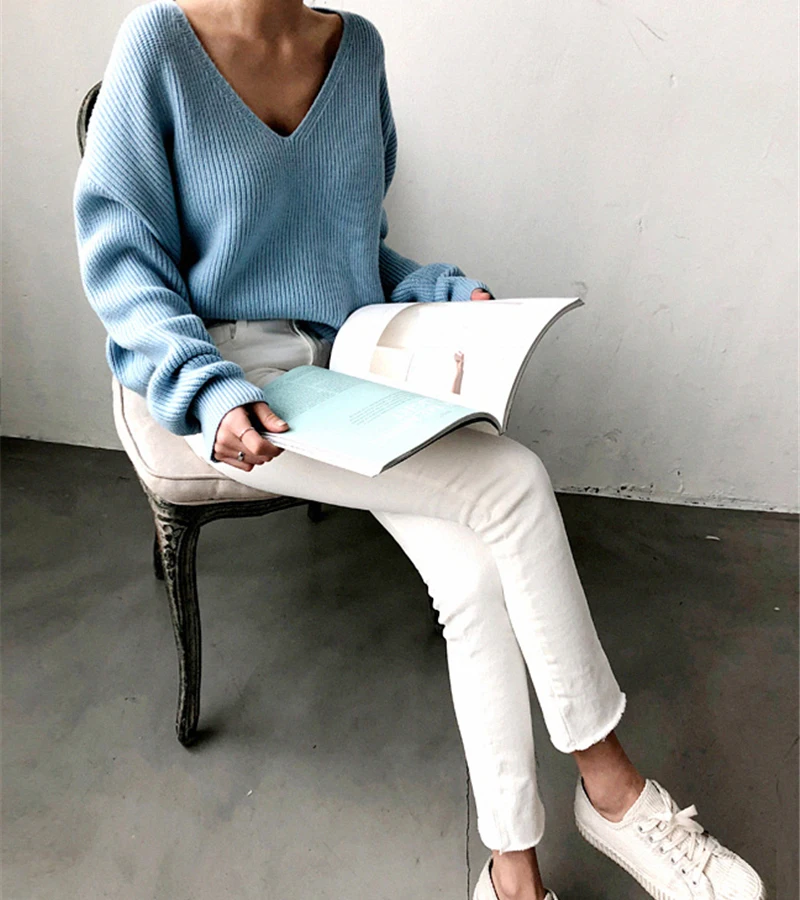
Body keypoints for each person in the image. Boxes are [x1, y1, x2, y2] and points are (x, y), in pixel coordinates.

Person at [72, 2, 765, 898]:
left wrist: (437, 290)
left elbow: (354, 252)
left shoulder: (356, 51)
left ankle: (512, 875)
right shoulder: (159, 45)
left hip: (348, 361)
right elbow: (123, 261)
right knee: (512, 483)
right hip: (234, 386)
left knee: (474, 579)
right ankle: (614, 789)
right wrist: (204, 387)